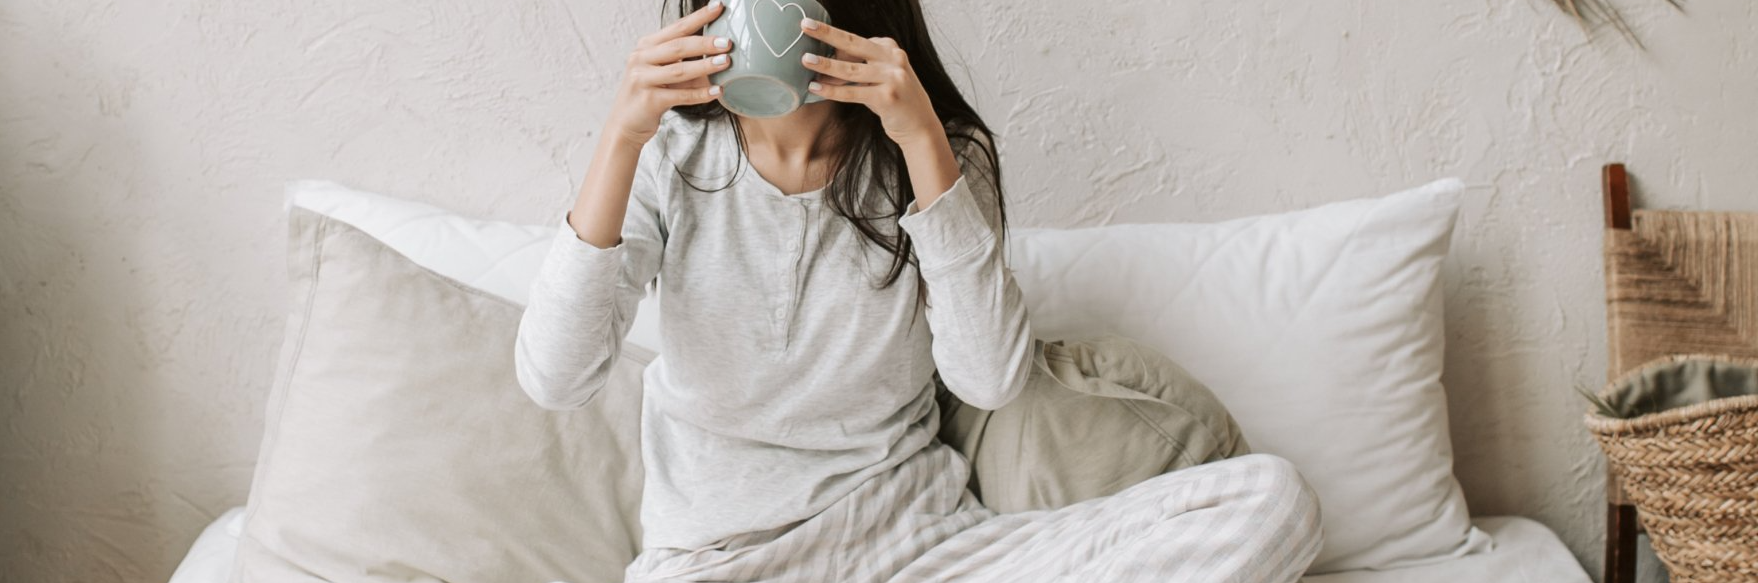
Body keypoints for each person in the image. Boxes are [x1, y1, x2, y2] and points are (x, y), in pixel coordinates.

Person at [514, 1, 1323, 581]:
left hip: (922, 546)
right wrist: (622, 136)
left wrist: (923, 141)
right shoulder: (669, 158)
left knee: (1271, 499)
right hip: (715, 558)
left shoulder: (935, 154)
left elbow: (989, 378)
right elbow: (555, 377)